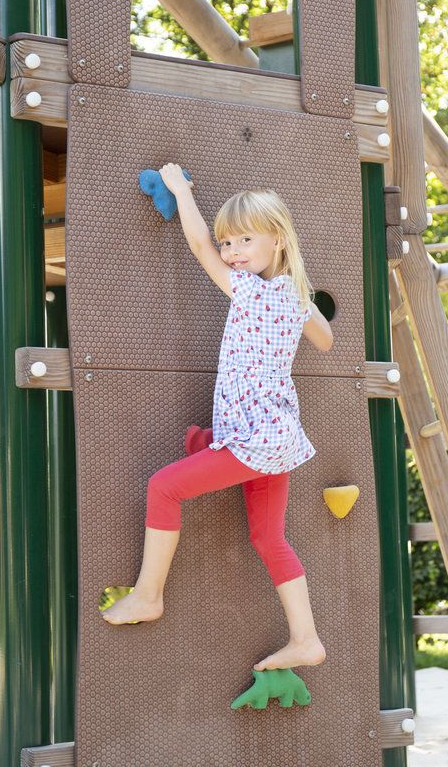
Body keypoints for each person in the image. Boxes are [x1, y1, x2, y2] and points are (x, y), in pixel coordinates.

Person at [101, 162, 333, 672]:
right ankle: (305, 639)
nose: (231, 252)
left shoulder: (250, 290)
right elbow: (325, 340)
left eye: (244, 240)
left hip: (255, 438)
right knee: (269, 537)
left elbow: (197, 244)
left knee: (164, 488)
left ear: (278, 239)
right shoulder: (295, 298)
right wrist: (303, 301)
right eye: (229, 243)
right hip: (277, 437)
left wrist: (181, 190)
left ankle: (148, 594)